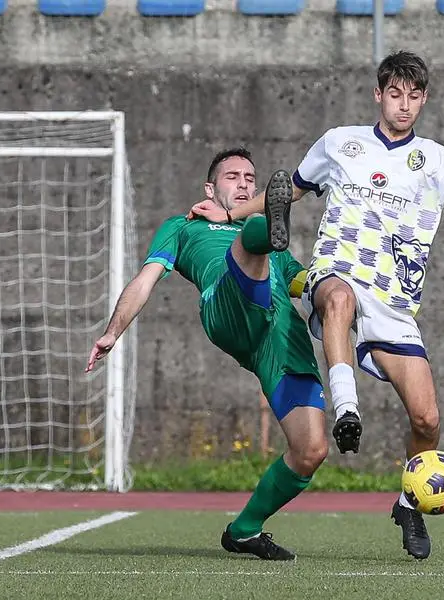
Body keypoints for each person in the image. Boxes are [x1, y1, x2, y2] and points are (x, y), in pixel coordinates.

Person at [190, 51, 444, 560]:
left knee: (426, 419)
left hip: (394, 302)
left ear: (423, 100)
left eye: (414, 97)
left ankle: (408, 503)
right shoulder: (341, 143)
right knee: (337, 297)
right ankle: (347, 407)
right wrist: (228, 209)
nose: (404, 106)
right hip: (336, 271)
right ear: (379, 94)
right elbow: (286, 193)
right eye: (395, 94)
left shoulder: (440, 159)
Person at [87, 148, 327, 561]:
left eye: (251, 178)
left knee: (311, 450)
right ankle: (265, 227)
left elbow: (302, 285)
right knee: (255, 240)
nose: (244, 183)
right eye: (233, 177)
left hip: (281, 333)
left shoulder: (279, 248)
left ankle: (244, 530)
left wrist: (341, 297)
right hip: (228, 307)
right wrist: (113, 332)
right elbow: (145, 280)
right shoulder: (182, 227)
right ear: (210, 188)